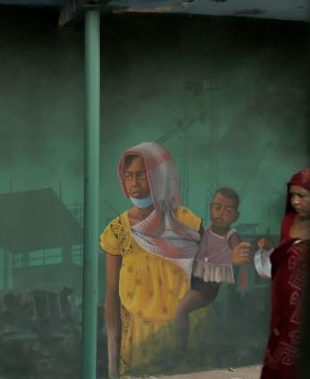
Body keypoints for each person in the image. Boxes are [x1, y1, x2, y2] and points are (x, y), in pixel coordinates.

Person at [99, 142, 202, 377]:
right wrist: (113, 363)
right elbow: (112, 295)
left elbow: (207, 280)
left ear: (160, 176)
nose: (134, 183)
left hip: (187, 339)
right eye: (128, 176)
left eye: (142, 175)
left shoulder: (187, 223)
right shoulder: (117, 231)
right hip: (140, 343)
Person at [255, 168, 310, 379]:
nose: (296, 201)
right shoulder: (288, 221)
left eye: (302, 196)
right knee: (279, 352)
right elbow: (283, 256)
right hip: (282, 304)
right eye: (293, 196)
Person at [173, 187, 251, 350]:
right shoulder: (205, 231)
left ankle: (180, 351)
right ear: (210, 208)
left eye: (228, 210)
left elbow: (237, 249)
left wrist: (238, 254)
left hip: (207, 286)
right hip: (192, 278)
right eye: (217, 207)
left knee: (180, 310)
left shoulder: (231, 235)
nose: (221, 213)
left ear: (236, 216)